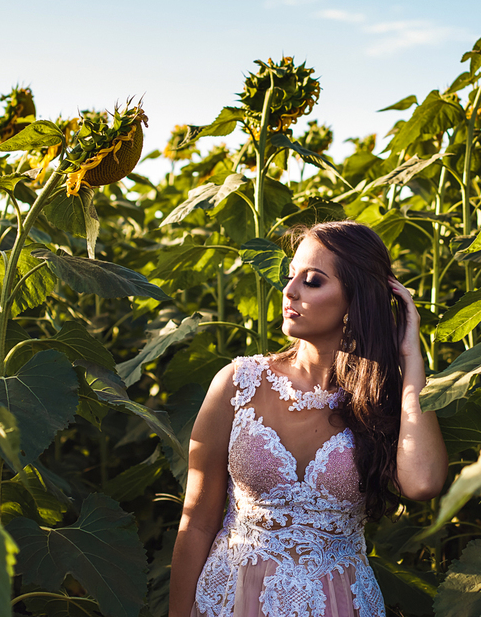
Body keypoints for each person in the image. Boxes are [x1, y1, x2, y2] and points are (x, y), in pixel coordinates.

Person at [169, 220, 449, 617]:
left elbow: (423, 483)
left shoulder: (382, 398)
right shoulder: (238, 383)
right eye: (290, 276)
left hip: (339, 605)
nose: (289, 291)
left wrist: (411, 359)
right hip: (231, 600)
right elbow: (196, 523)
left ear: (356, 299)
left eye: (313, 281)